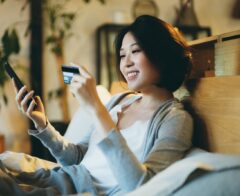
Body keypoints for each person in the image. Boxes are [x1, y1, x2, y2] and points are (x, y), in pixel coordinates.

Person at [0, 15, 193, 195]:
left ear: (161, 55)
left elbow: (142, 187)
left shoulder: (175, 119)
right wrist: (43, 125)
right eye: (122, 55)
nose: (126, 63)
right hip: (63, 178)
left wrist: (96, 108)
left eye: (135, 51)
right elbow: (76, 158)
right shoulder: (120, 101)